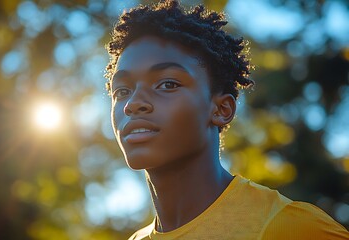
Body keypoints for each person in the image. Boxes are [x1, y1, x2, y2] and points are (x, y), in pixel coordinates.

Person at [105, 0, 349, 239]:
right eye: (122, 91)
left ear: (222, 109)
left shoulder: (291, 228)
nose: (133, 103)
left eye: (167, 84)